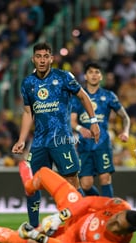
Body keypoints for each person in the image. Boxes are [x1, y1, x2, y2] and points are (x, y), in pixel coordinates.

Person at [0, 161, 136, 243]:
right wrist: (62, 215)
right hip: (76, 210)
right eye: (116, 219)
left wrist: (39, 236)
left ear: (127, 233)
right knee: (44, 173)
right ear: (122, 212)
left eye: (119, 227)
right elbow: (88, 202)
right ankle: (29, 186)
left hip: (67, 234)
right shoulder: (119, 206)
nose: (113, 224)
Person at [11, 42, 100, 228]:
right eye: (39, 56)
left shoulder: (63, 77)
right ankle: (34, 228)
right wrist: (21, 139)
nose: (42, 60)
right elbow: (28, 113)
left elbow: (83, 96)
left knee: (71, 182)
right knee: (32, 184)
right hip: (39, 142)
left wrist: (93, 122)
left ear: (51, 58)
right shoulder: (28, 83)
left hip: (61, 139)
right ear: (33, 59)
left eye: (46, 56)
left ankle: (84, 222)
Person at [71, 62, 130, 197]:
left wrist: (125, 131)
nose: (94, 75)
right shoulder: (78, 97)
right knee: (85, 184)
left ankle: (108, 213)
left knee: (105, 178)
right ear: (85, 76)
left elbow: (125, 117)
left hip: (102, 143)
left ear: (101, 77)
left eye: (97, 72)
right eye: (90, 72)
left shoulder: (108, 96)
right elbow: (72, 121)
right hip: (84, 145)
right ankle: (99, 204)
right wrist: (80, 128)